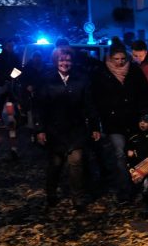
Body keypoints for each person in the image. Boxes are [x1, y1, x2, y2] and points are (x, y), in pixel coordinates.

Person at [34, 46, 101, 211]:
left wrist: (94, 126)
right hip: (54, 130)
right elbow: (40, 107)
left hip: (76, 129)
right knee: (55, 164)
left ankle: (77, 197)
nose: (65, 63)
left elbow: (89, 104)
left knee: (76, 162)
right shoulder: (46, 80)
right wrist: (40, 129)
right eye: (62, 59)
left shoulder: (81, 79)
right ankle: (51, 192)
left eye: (68, 60)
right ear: (56, 61)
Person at [91, 41, 148, 203]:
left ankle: (142, 186)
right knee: (120, 154)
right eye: (116, 59)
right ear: (110, 58)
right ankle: (124, 190)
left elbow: (145, 95)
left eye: (122, 58)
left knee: (138, 155)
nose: (120, 62)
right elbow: (95, 99)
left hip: (134, 120)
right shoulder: (101, 73)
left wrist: (146, 114)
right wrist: (97, 122)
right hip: (113, 122)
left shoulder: (134, 71)